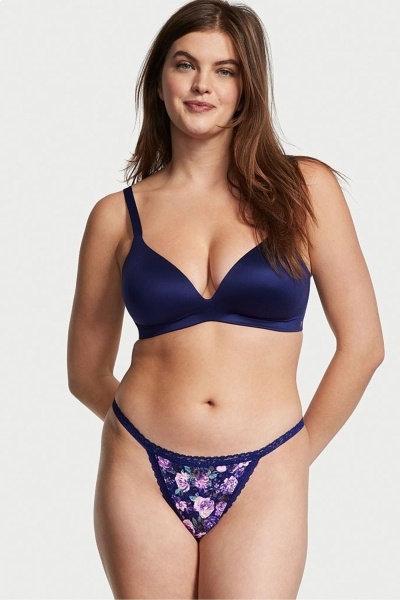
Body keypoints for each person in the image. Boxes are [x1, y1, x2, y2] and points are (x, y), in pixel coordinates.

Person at [67, 1, 384, 597]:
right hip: (141, 471)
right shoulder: (116, 216)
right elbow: (84, 372)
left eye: (225, 70)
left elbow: (363, 346)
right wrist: (143, 436)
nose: (202, 85)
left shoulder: (305, 190)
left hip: (267, 465)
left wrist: (293, 453)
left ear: (247, 87)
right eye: (185, 64)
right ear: (159, 80)